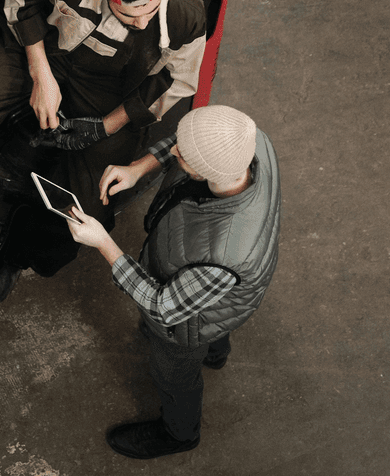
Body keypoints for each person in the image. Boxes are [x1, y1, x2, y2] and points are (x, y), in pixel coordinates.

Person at [0, 0, 208, 301]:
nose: (143, 23)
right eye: (129, 16)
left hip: (113, 87)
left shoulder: (187, 15)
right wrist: (40, 74)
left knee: (89, 208)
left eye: (150, 11)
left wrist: (105, 127)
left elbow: (175, 82)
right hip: (45, 50)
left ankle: (22, 250)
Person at [66, 105, 280, 459]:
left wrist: (103, 242)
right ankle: (215, 353)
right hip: (222, 296)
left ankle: (179, 434)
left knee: (174, 375)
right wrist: (139, 168)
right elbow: (191, 145)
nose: (173, 150)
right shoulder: (246, 140)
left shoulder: (224, 256)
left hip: (186, 324)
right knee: (218, 320)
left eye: (182, 155)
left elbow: (162, 306)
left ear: (206, 172)